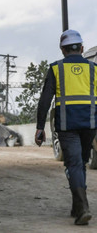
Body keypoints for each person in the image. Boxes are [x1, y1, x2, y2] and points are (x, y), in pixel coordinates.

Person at [35, 29, 95, 226]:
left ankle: (83, 206)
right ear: (82, 48)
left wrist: (40, 127)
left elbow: (45, 100)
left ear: (62, 50)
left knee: (74, 164)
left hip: (67, 125)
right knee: (82, 162)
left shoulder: (56, 68)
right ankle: (77, 206)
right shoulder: (94, 69)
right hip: (90, 123)